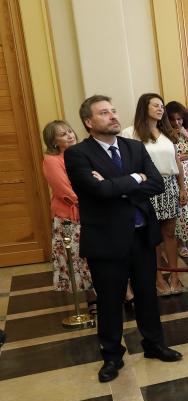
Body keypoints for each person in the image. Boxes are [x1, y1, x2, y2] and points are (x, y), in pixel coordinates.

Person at [64, 95, 183, 383]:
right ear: (89, 122)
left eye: (114, 111)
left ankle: (154, 344)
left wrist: (118, 184)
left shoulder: (134, 146)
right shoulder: (78, 154)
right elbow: (98, 192)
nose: (113, 116)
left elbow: (155, 183)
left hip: (141, 235)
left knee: (146, 294)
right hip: (106, 240)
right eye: (104, 113)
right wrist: (135, 179)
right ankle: (112, 355)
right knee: (110, 300)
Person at [121, 93, 185, 297]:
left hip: (169, 185)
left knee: (170, 233)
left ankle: (174, 276)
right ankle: (157, 278)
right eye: (156, 105)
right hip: (147, 186)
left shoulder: (167, 132)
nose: (161, 109)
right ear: (144, 107)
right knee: (153, 236)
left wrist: (182, 187)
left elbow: (178, 162)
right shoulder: (130, 132)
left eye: (162, 106)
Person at [41, 120, 96, 312]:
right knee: (79, 258)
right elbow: (65, 190)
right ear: (53, 141)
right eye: (63, 134)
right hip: (70, 216)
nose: (70, 135)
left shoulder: (83, 153)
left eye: (70, 131)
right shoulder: (52, 160)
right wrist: (94, 197)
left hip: (92, 211)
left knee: (97, 256)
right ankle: (92, 300)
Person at [165, 101, 188, 259]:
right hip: (176, 177)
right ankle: (182, 244)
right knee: (181, 209)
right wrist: (186, 154)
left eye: (179, 119)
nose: (177, 123)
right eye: (173, 119)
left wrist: (187, 136)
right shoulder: (165, 133)